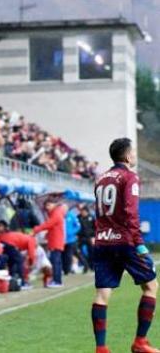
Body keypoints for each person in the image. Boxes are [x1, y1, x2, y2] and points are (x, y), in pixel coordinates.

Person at [91, 138, 158, 353]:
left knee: (102, 294)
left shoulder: (101, 179)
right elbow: (130, 211)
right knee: (151, 286)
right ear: (128, 156)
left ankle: (101, 348)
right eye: (134, 152)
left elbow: (99, 213)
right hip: (125, 241)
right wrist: (139, 243)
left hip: (103, 241)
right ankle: (140, 342)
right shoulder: (130, 177)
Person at [33, 199, 67, 288]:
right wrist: (47, 234)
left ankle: (56, 281)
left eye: (49, 205)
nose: (47, 207)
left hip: (56, 241)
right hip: (56, 240)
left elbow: (48, 224)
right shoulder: (56, 213)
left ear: (54, 204)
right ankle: (57, 280)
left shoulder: (56, 214)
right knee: (57, 261)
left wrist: (36, 229)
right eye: (46, 205)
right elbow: (52, 226)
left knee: (55, 261)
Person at [63, 206, 81, 275]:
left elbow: (78, 226)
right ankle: (64, 269)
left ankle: (68, 270)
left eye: (65, 208)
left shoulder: (72, 215)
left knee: (69, 255)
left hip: (70, 240)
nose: (63, 210)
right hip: (61, 239)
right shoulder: (60, 215)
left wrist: (72, 232)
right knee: (62, 255)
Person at [78, 204, 95, 272]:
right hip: (81, 238)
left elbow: (95, 227)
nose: (83, 213)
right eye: (81, 211)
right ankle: (85, 265)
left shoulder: (91, 217)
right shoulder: (78, 218)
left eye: (84, 211)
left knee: (91, 252)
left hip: (90, 238)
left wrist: (93, 236)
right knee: (80, 252)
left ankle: (92, 266)